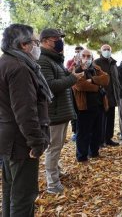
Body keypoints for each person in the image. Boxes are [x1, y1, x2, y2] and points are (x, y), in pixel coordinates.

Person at [0, 24, 51, 216]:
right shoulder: (19, 67)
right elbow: (25, 111)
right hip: (21, 142)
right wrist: (36, 142)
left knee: (11, 192)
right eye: (35, 42)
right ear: (23, 45)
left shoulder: (5, 62)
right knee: (23, 196)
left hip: (9, 139)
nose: (37, 46)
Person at [38, 28, 83, 194]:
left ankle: (56, 171)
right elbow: (50, 86)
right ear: (45, 41)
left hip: (61, 111)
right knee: (53, 148)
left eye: (60, 38)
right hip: (53, 112)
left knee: (57, 146)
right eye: (56, 38)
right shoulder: (43, 60)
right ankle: (52, 184)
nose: (59, 41)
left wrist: (73, 72)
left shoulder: (55, 59)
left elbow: (61, 79)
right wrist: (72, 78)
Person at [72, 49, 109, 162]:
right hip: (84, 107)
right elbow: (80, 85)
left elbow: (106, 79)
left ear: (92, 58)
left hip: (98, 105)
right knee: (83, 133)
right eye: (84, 55)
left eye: (89, 56)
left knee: (97, 131)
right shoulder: (75, 69)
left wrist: (91, 80)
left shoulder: (96, 68)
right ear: (79, 57)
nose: (86, 58)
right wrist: (98, 87)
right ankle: (82, 156)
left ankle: (94, 152)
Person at [94, 44, 120, 147]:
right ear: (101, 51)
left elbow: (117, 78)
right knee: (101, 120)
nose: (106, 51)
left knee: (110, 119)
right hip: (102, 96)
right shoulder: (96, 62)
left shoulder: (113, 63)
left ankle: (108, 138)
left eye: (108, 49)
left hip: (113, 95)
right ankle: (100, 140)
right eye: (104, 49)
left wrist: (118, 90)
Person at [66, 46, 84, 142]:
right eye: (76, 51)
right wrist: (74, 63)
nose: (78, 53)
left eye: (79, 51)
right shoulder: (70, 61)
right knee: (74, 111)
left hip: (82, 90)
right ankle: (75, 132)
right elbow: (67, 72)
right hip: (72, 89)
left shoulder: (86, 61)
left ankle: (81, 130)